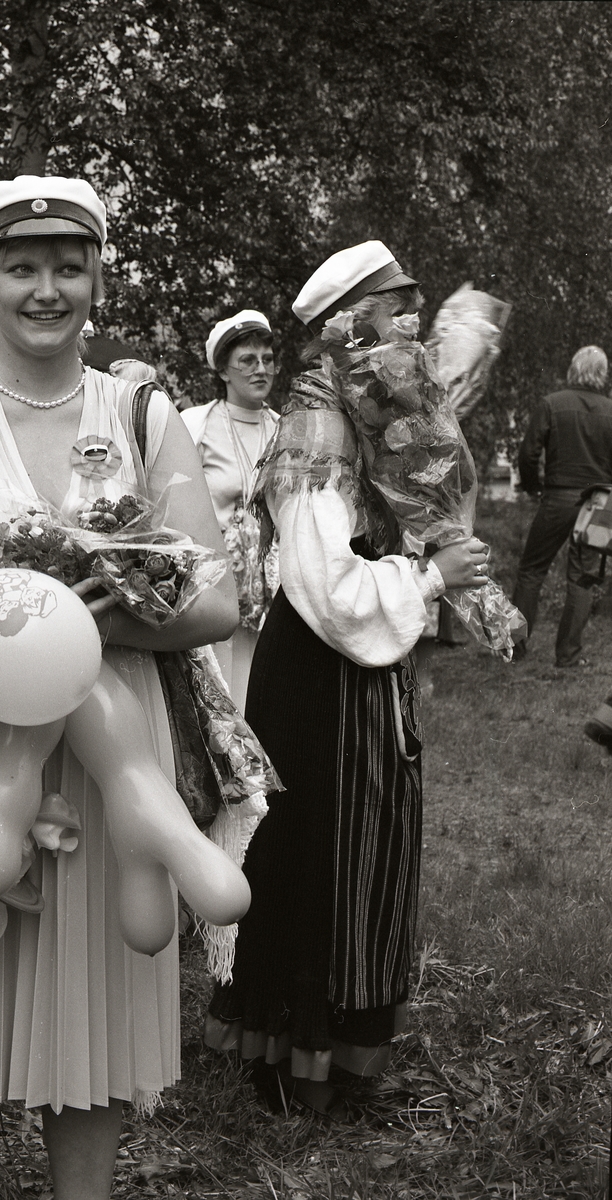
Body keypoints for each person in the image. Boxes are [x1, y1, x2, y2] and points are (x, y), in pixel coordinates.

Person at [0, 176, 240, 1199]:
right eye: (23, 267)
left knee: (95, 1000)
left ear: (97, 276)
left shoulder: (142, 412)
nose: (48, 289)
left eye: (69, 266)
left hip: (110, 748)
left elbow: (220, 598)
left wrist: (104, 614)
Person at [206, 241, 489, 1117]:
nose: (411, 317)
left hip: (356, 673)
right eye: (395, 305)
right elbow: (326, 587)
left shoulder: (371, 404)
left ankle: (333, 1050)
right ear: (349, 322)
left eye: (412, 302)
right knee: (325, 857)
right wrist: (436, 579)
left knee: (361, 850)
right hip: (324, 676)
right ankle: (299, 1063)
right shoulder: (319, 419)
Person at [182, 310, 280, 710]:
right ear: (223, 370)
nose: (261, 370)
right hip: (219, 582)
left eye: (268, 359)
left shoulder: (286, 427)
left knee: (268, 686)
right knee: (224, 691)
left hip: (275, 582)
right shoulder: (196, 425)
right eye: (247, 361)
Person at [511, 345, 612, 666]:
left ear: (573, 369)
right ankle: (568, 656)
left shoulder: (552, 403)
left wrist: (533, 488)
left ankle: (515, 647)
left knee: (531, 571)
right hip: (597, 504)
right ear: (602, 374)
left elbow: (528, 454)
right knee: (582, 577)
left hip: (557, 498)